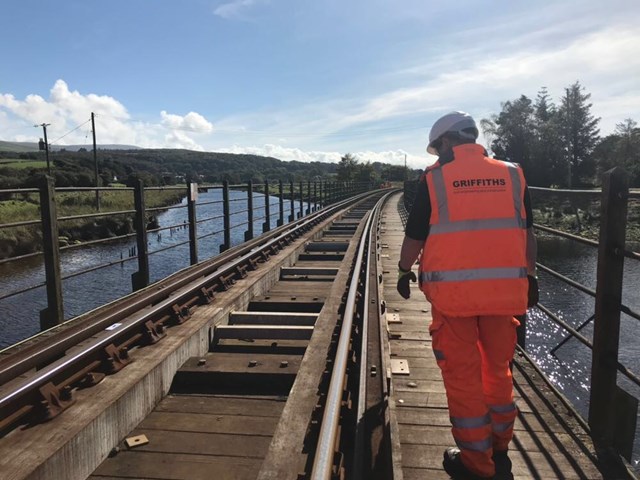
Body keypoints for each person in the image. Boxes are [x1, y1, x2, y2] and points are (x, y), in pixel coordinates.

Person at [396, 111, 538, 480]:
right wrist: (531, 276)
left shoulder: (435, 179)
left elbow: (415, 235)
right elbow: (528, 233)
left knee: (463, 378)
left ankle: (476, 463)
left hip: (454, 299)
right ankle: (499, 445)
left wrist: (402, 270)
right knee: (498, 370)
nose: (435, 156)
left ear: (447, 141)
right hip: (504, 295)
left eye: (436, 148)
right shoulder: (512, 173)